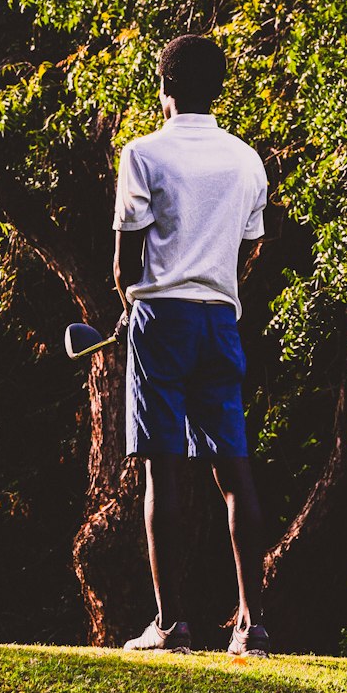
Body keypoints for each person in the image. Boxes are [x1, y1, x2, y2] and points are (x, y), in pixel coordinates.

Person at [112, 33, 270, 657]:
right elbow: (250, 244)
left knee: (163, 469)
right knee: (234, 470)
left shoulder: (143, 153)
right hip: (219, 319)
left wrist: (130, 298)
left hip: (162, 318)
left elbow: (126, 259)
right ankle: (251, 628)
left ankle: (171, 623)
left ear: (164, 89)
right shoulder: (247, 159)